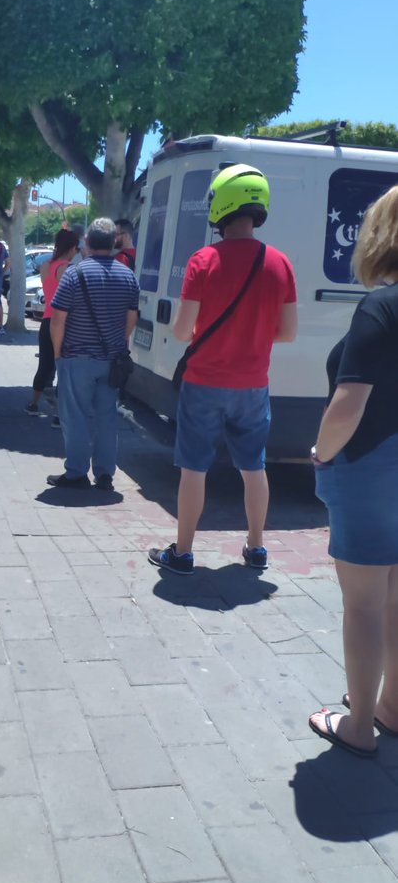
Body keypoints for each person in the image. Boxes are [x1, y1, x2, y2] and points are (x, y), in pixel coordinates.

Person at [148, 164, 298, 575]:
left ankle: (182, 552)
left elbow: (182, 330)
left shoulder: (204, 260)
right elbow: (287, 333)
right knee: (254, 468)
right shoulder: (280, 263)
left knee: (194, 468)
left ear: (222, 206)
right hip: (253, 385)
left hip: (204, 382)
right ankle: (256, 547)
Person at [308, 185, 398, 758]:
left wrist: (320, 451)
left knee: (363, 602)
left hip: (370, 467)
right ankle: (392, 709)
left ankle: (358, 724)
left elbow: (349, 401)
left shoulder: (382, 305)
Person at [47, 217, 139, 491]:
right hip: (111, 361)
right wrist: (118, 342)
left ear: (87, 242)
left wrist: (58, 352)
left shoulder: (74, 274)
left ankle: (76, 473)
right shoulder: (127, 275)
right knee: (107, 416)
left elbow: (58, 319)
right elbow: (131, 318)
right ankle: (105, 474)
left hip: (77, 357)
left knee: (74, 416)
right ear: (113, 243)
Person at [25, 229, 78, 423]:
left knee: (44, 366)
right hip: (64, 323)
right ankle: (58, 415)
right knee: (63, 369)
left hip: (46, 320)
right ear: (72, 248)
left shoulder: (46, 266)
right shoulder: (68, 268)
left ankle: (33, 404)